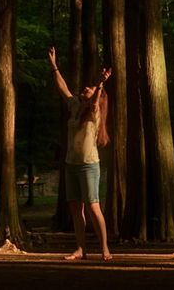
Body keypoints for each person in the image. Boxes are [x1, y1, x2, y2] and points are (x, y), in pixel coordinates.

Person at [48, 46, 112, 261]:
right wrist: (54, 65)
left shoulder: (94, 112)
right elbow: (63, 88)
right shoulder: (76, 106)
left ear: (98, 96)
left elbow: (95, 101)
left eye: (91, 88)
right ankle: (81, 249)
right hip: (71, 164)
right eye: (87, 86)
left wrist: (101, 82)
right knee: (76, 208)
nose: (86, 87)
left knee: (93, 206)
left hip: (88, 165)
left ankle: (105, 249)